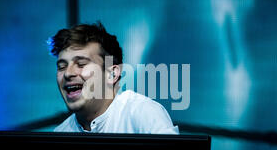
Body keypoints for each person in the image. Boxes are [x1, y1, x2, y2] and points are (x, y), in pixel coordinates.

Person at [48, 22, 179, 134]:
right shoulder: (61, 132)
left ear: (112, 74)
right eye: (61, 67)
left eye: (81, 64)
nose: (67, 73)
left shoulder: (144, 114)